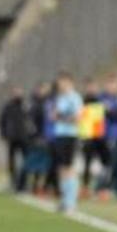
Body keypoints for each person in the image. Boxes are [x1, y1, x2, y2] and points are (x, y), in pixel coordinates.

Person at [51, 72, 84, 214]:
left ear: (69, 82)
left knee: (69, 168)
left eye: (62, 82)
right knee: (61, 168)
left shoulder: (75, 98)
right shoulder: (60, 97)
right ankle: (64, 200)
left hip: (70, 135)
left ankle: (71, 202)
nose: (60, 85)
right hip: (59, 134)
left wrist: (61, 117)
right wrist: (57, 117)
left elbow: (77, 118)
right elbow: (54, 116)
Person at [0, 86, 34, 192]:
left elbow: (31, 120)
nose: (17, 94)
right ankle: (13, 182)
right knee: (12, 161)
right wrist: (3, 134)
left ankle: (23, 183)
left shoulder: (26, 105)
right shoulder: (8, 106)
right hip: (12, 137)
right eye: (15, 92)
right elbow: (2, 121)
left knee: (26, 160)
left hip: (24, 138)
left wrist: (31, 134)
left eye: (19, 91)